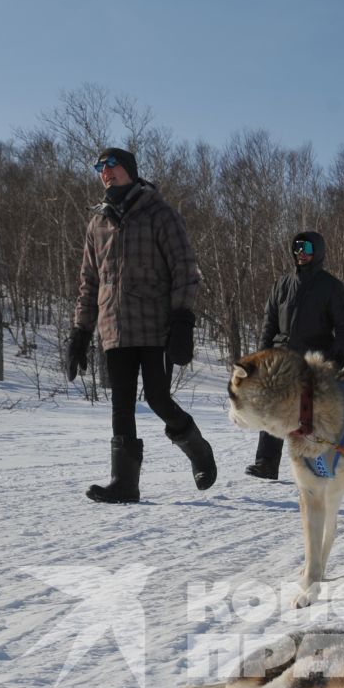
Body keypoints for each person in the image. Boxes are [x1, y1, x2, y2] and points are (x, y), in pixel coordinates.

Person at [68, 147, 216, 504]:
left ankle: (198, 450)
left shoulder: (159, 213)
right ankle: (125, 483)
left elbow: (184, 267)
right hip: (113, 327)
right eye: (100, 167)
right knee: (121, 403)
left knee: (157, 397)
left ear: (130, 170)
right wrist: (80, 332)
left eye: (112, 165)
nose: (106, 172)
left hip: (154, 325)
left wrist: (182, 319)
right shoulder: (97, 224)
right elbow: (89, 283)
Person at [245, 231, 344, 480]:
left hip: (314, 358)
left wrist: (336, 360)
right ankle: (266, 463)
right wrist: (262, 356)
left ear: (317, 251)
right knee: (273, 407)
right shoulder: (283, 284)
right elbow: (269, 322)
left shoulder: (331, 287)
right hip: (282, 357)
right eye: (297, 249)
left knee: (310, 415)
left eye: (306, 249)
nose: (301, 254)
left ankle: (317, 465)